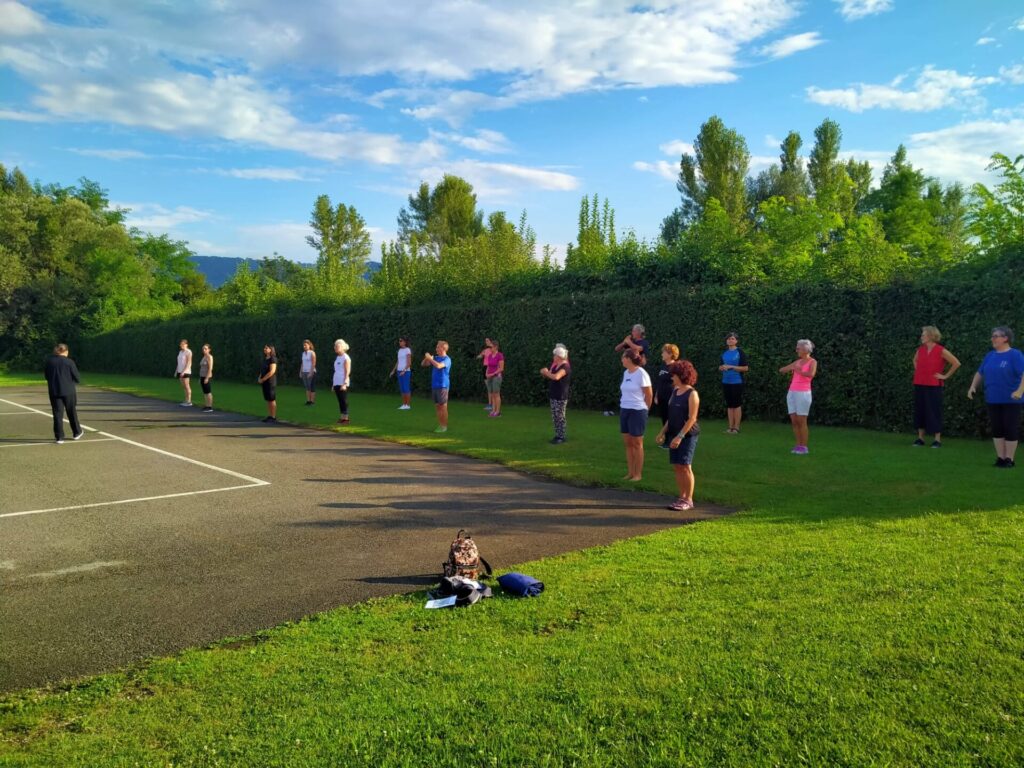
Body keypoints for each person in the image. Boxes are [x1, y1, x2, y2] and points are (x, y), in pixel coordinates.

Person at [968, 326, 1024, 468]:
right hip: (993, 398)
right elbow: (980, 372)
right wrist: (973, 386)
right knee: (997, 429)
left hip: (1011, 401)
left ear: (1005, 338)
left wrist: (1019, 391)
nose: (992, 339)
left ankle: (1009, 460)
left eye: (995, 336)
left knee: (1010, 428)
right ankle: (1000, 458)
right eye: (992, 336)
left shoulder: (1015, 355)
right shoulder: (990, 356)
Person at [656, 360, 701, 511]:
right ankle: (681, 497)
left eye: (674, 374)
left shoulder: (692, 394)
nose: (671, 377)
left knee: (685, 466)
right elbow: (671, 416)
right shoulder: (675, 391)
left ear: (681, 375)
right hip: (673, 433)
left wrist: (680, 436)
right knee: (677, 466)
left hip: (687, 436)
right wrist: (662, 432)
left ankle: (689, 499)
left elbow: (692, 418)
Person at [912, 326, 960, 447]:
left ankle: (937, 440)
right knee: (920, 410)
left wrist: (945, 376)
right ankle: (920, 438)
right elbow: (915, 360)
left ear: (931, 336)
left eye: (923, 335)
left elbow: (956, 363)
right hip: (919, 383)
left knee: (934, 411)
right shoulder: (920, 350)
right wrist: (920, 372)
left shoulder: (941, 350)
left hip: (934, 385)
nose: (921, 337)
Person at [619, 349, 653, 481]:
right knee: (628, 443)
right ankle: (630, 472)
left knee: (637, 443)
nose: (621, 360)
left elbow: (649, 395)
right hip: (624, 409)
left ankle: (638, 474)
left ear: (629, 359)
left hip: (638, 411)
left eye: (623, 357)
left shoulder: (642, 373)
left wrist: (645, 410)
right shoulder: (626, 373)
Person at [779, 339, 817, 455]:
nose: (796, 350)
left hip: (803, 393)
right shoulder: (797, 362)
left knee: (802, 420)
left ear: (806, 349)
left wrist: (799, 371)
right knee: (794, 420)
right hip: (792, 392)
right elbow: (782, 370)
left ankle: (804, 447)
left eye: (798, 348)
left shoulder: (812, 362)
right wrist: (791, 368)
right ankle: (798, 445)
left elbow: (811, 375)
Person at [43, 343, 83, 444]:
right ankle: (77, 432)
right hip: (68, 391)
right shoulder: (69, 362)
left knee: (57, 414)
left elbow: (46, 376)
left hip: (54, 391)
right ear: (66, 351)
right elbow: (77, 378)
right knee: (71, 412)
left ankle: (59, 437)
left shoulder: (49, 362)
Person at [540, 344, 571, 444]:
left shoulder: (565, 367)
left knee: (560, 416)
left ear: (559, 356)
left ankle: (561, 436)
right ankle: (557, 435)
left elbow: (556, 377)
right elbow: (551, 375)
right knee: (555, 416)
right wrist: (544, 373)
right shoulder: (555, 366)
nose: (553, 357)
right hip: (553, 394)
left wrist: (546, 372)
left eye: (554, 355)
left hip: (561, 395)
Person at [719, 332, 749, 434]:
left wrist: (731, 367)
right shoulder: (724, 353)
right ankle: (730, 427)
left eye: (732, 339)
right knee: (729, 405)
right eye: (728, 339)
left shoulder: (740, 352)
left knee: (736, 405)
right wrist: (722, 367)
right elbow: (721, 366)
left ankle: (736, 428)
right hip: (725, 381)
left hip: (737, 382)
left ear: (736, 341)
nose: (730, 340)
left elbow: (745, 368)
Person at [652, 344, 680, 444]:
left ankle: (671, 440)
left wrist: (674, 397)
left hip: (670, 397)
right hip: (661, 397)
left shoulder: (675, 367)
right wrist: (656, 395)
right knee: (664, 418)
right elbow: (660, 382)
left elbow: (677, 384)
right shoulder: (663, 366)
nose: (662, 354)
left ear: (670, 354)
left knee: (671, 419)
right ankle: (666, 439)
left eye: (664, 352)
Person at [423, 340, 452, 433]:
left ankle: (444, 426)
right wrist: (426, 358)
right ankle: (440, 425)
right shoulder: (436, 357)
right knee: (438, 407)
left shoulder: (447, 359)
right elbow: (424, 364)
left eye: (438, 347)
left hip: (443, 386)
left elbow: (439, 366)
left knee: (443, 407)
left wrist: (430, 359)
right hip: (435, 385)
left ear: (443, 348)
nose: (436, 348)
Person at [390, 336, 413, 410]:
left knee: (406, 388)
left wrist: (404, 371)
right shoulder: (399, 350)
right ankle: (404, 404)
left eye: (401, 341)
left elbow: (409, 362)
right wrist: (393, 370)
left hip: (406, 372)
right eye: (399, 341)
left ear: (405, 342)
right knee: (402, 388)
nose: (399, 342)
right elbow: (398, 361)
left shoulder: (408, 350)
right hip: (399, 371)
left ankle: (408, 405)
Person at [332, 339, 351, 425]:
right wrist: (333, 384)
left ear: (342, 347)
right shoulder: (337, 357)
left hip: (342, 382)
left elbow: (347, 371)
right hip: (336, 381)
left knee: (343, 400)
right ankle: (342, 417)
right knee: (340, 401)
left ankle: (346, 418)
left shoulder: (346, 357)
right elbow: (336, 370)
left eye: (337, 346)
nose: (335, 348)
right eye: (335, 346)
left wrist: (345, 383)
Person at [484, 340, 505, 418]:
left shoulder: (500, 355)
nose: (490, 348)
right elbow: (488, 366)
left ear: (496, 347)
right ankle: (493, 410)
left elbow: (501, 368)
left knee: (496, 394)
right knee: (492, 394)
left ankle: (497, 411)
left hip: (496, 377)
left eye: (491, 347)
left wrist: (492, 374)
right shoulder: (490, 356)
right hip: (489, 376)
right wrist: (486, 373)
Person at [257, 344, 278, 423]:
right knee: (268, 399)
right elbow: (262, 370)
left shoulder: (273, 359)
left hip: (270, 382)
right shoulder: (265, 359)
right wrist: (259, 378)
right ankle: (269, 415)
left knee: (272, 399)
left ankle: (273, 416)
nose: (265, 349)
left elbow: (272, 371)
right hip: (264, 382)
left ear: (271, 349)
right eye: (264, 348)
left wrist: (263, 379)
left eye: (266, 348)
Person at [475, 338, 494, 410]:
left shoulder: (493, 349)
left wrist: (490, 344)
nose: (486, 342)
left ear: (491, 342)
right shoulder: (485, 350)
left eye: (488, 341)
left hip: (490, 368)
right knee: (489, 388)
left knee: (491, 388)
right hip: (485, 368)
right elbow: (480, 356)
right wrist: (479, 356)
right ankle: (490, 404)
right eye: (485, 341)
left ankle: (492, 405)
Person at [174, 339, 193, 407]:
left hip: (186, 372)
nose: (181, 345)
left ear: (186, 345)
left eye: (183, 344)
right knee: (184, 386)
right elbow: (178, 363)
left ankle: (189, 401)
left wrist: (184, 371)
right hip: (180, 371)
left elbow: (189, 362)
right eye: (181, 344)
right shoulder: (180, 352)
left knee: (187, 386)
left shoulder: (188, 352)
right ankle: (186, 400)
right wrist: (176, 371)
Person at [300, 339, 317, 406]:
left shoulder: (312, 353)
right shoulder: (303, 353)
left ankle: (312, 402)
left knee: (312, 386)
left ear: (309, 345)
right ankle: (308, 400)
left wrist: (311, 372)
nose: (304, 346)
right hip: (304, 372)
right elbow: (302, 363)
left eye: (306, 345)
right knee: (307, 387)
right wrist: (300, 371)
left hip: (311, 372)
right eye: (303, 345)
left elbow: (313, 363)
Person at [198, 343, 214, 413]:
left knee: (208, 392)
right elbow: (202, 368)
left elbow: (210, 368)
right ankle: (206, 405)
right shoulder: (204, 357)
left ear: (209, 350)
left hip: (207, 377)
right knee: (205, 392)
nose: (204, 350)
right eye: (203, 349)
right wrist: (200, 378)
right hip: (202, 376)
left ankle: (210, 407)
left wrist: (207, 378)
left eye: (206, 349)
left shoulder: (209, 357)